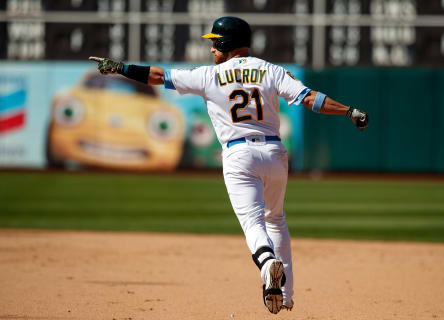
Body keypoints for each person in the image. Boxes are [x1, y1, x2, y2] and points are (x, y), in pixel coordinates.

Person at [90, 16, 368, 314]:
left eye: (214, 41)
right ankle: (285, 295)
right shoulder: (271, 70)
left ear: (226, 43)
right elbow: (310, 98)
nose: (211, 48)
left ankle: (266, 263)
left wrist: (122, 68)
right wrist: (348, 110)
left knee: (253, 223)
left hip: (238, 155)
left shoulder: (209, 76)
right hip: (275, 152)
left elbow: (159, 76)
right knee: (276, 219)